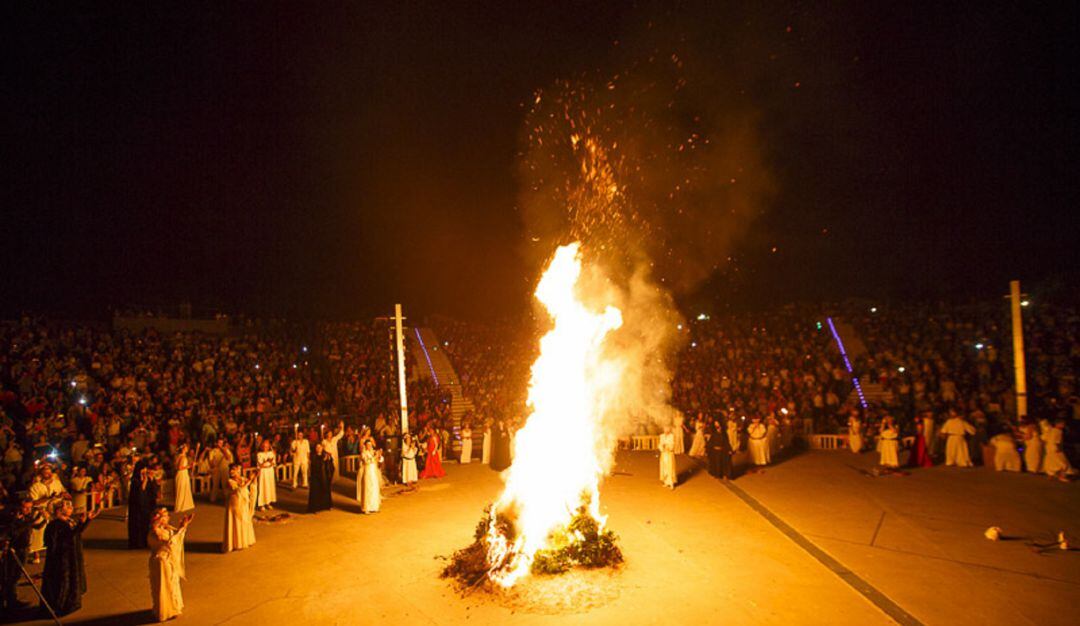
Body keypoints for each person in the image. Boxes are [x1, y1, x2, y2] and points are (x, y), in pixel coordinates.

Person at [42, 500, 98, 616]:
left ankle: (70, 603)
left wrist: (87, 521)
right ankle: (59, 606)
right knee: (63, 583)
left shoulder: (68, 521)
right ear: (61, 510)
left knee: (71, 580)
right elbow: (66, 537)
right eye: (69, 506)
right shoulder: (55, 525)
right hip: (62, 559)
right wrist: (81, 523)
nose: (72, 508)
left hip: (70, 556)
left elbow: (76, 533)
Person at [148, 508, 191, 622]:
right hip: (162, 562)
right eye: (166, 516)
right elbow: (171, 542)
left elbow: (175, 537)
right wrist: (181, 529)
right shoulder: (156, 532)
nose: (168, 518)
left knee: (171, 584)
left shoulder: (167, 528)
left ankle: (172, 607)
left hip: (169, 560)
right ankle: (165, 610)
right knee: (164, 586)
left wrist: (183, 526)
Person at [1, 496, 42, 611]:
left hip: (24, 549)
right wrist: (20, 522)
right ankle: (9, 601)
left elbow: (34, 526)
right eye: (25, 508)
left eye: (30, 508)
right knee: (9, 576)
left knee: (16, 576)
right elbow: (12, 533)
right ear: (20, 507)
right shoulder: (12, 518)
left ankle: (11, 600)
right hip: (14, 550)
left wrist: (42, 519)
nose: (28, 510)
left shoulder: (28, 517)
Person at [29, 464, 67, 561]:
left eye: (49, 471)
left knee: (57, 532)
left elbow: (65, 493)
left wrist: (63, 495)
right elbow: (34, 502)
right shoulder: (35, 486)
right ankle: (36, 555)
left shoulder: (57, 483)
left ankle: (55, 552)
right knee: (38, 533)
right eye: (45, 471)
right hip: (41, 511)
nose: (47, 473)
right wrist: (47, 498)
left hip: (55, 510)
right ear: (41, 473)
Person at [128, 457, 160, 549]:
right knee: (138, 525)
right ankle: (137, 543)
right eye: (143, 469)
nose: (144, 471)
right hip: (138, 507)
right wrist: (144, 482)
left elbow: (153, 492)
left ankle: (146, 541)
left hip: (146, 506)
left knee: (146, 524)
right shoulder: (135, 481)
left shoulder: (149, 478)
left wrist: (152, 480)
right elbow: (138, 493)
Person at [222, 464, 255, 553]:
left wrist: (254, 477)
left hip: (243, 502)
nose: (239, 472)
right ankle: (236, 543)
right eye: (237, 470)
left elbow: (250, 485)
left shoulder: (242, 478)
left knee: (244, 519)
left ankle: (245, 540)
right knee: (236, 520)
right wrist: (250, 480)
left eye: (239, 470)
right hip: (234, 502)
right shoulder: (230, 481)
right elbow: (238, 489)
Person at [307, 442, 335, 513]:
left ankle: (327, 505)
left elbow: (330, 466)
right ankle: (316, 508)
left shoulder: (325, 455)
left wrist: (329, 459)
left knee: (326, 491)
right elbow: (315, 466)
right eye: (317, 447)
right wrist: (322, 461)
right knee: (316, 493)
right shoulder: (313, 456)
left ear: (322, 448)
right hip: (316, 478)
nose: (318, 449)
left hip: (324, 477)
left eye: (320, 447)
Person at [358, 439, 382, 513]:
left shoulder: (373, 452)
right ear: (365, 446)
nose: (369, 446)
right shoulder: (363, 453)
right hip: (367, 471)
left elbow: (379, 460)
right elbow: (367, 461)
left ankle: (374, 507)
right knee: (367, 488)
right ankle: (366, 508)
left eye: (370, 445)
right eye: (368, 445)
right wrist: (374, 457)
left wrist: (379, 456)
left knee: (374, 487)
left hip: (374, 471)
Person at [208, 439, 233, 503]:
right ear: (216, 443)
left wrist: (223, 450)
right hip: (216, 469)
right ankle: (213, 499)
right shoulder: (213, 451)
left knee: (225, 484)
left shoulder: (226, 450)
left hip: (224, 469)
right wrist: (214, 465)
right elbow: (210, 462)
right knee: (215, 484)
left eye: (221, 443)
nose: (220, 444)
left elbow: (229, 458)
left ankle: (227, 498)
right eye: (219, 443)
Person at [173, 443, 195, 513]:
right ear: (183, 449)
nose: (187, 449)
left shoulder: (178, 456)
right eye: (186, 448)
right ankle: (180, 506)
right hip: (182, 474)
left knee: (182, 489)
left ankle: (183, 505)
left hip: (181, 474)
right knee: (182, 490)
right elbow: (180, 467)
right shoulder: (182, 457)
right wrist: (189, 466)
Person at [255, 440, 277, 511]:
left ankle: (268, 503)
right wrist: (267, 462)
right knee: (263, 486)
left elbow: (273, 463)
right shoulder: (259, 454)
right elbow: (260, 464)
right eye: (264, 446)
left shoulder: (271, 453)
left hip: (270, 471)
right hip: (263, 472)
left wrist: (269, 462)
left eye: (267, 446)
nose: (265, 448)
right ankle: (261, 504)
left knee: (269, 487)